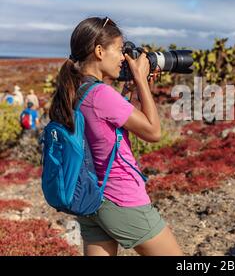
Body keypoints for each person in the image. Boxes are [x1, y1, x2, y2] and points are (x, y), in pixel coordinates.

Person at [48, 17, 182, 256]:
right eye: (120, 50)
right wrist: (141, 80)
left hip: (89, 199)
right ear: (99, 51)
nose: (123, 57)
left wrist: (129, 91)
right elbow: (154, 132)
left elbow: (107, 128)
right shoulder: (101, 94)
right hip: (121, 198)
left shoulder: (75, 89)